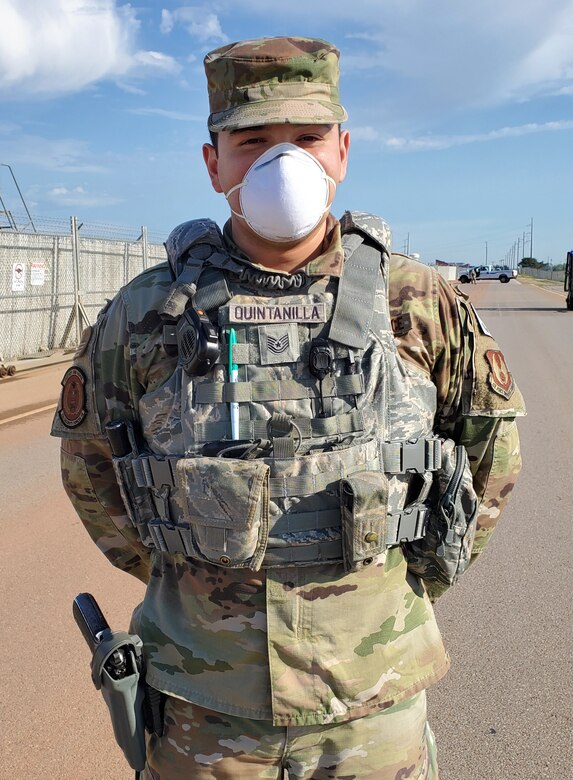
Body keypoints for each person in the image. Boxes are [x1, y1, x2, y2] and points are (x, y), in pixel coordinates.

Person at [52, 36, 525, 780]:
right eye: (251, 142)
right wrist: (193, 582)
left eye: (307, 138)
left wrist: (401, 585)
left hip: (371, 698)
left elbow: (489, 454)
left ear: (342, 152)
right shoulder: (147, 312)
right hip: (202, 702)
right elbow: (92, 471)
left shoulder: (416, 300)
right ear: (213, 164)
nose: (283, 162)